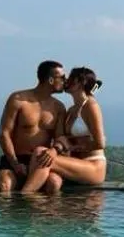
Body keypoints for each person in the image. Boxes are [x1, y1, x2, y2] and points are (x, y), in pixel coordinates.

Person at [21, 67, 107, 195]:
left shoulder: (91, 106)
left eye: (71, 78)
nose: (66, 80)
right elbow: (62, 138)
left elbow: (100, 143)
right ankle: (41, 204)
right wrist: (56, 148)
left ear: (80, 83)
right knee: (53, 180)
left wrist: (74, 147)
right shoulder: (71, 110)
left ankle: (24, 196)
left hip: (93, 166)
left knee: (40, 154)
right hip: (74, 164)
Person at [0, 60, 67, 193]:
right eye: (62, 77)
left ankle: (38, 206)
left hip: (41, 161)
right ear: (51, 80)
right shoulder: (18, 100)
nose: (65, 81)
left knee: (54, 183)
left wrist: (54, 151)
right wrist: (15, 163)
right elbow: (5, 133)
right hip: (16, 159)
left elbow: (60, 137)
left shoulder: (59, 107)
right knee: (4, 185)